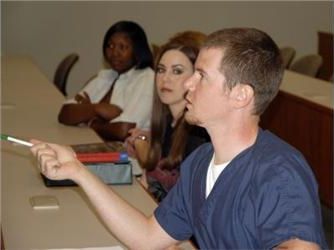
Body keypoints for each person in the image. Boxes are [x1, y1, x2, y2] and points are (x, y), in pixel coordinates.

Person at [30, 28, 327, 249]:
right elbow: (147, 237)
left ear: (241, 95)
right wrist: (78, 172)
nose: (187, 83)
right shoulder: (199, 163)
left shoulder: (279, 173)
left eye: (201, 76)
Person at [125, 31, 209, 202]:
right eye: (161, 70)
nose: (165, 79)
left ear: (196, 78)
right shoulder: (168, 120)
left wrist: (142, 148)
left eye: (177, 71)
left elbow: (176, 196)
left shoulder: (199, 133)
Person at [58, 20, 154, 141]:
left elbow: (124, 130)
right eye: (110, 46)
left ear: (138, 50)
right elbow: (65, 113)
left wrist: (90, 121)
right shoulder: (108, 76)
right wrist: (97, 109)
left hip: (125, 155)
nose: (114, 53)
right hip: (93, 142)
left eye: (123, 47)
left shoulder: (147, 80)